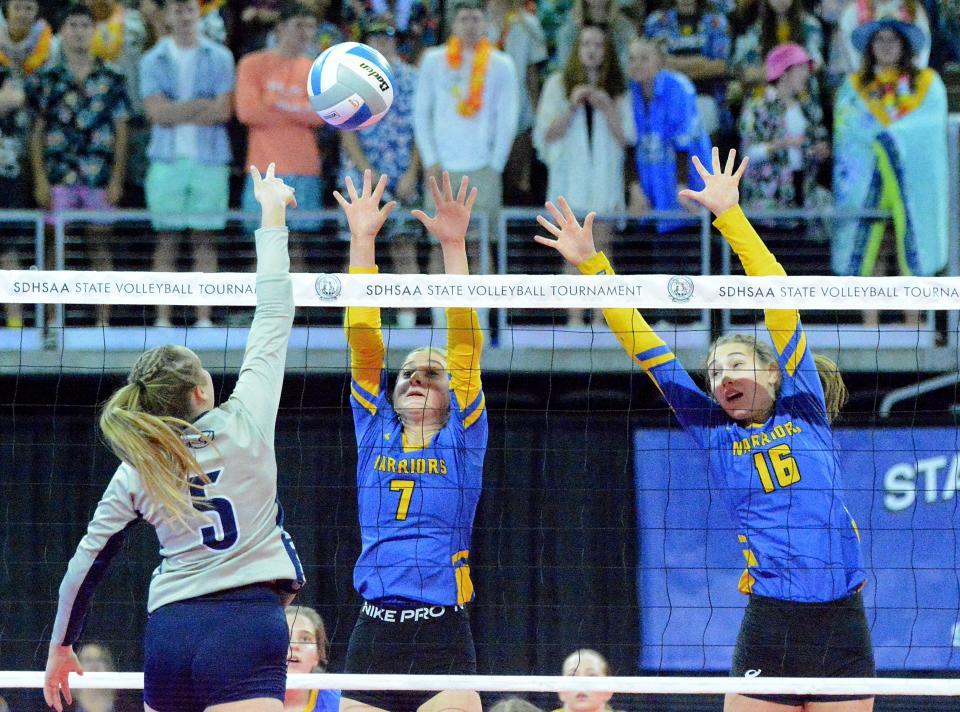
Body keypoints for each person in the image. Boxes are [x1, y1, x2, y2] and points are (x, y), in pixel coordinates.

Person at [536, 148, 874, 711]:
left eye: (736, 366)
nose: (722, 379)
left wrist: (730, 216)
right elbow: (649, 350)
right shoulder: (714, 431)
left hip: (842, 622)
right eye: (715, 373)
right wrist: (594, 267)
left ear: (772, 371)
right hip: (773, 619)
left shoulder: (804, 403)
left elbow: (777, 295)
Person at [43, 162, 305, 712]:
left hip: (171, 633)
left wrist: (60, 645)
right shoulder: (246, 419)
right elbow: (275, 310)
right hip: (247, 624)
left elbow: (83, 566)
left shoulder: (136, 467)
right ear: (201, 393)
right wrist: (273, 212)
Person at [336, 170, 486, 712]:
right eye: (407, 374)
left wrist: (453, 246)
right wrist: (362, 240)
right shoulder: (374, 427)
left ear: (453, 394)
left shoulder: (463, 436)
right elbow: (363, 338)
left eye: (431, 373)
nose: (416, 378)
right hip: (373, 630)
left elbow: (465, 341)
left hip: (442, 632)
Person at [832, 13, 946, 326]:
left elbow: (929, 131)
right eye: (879, 39)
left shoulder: (927, 84)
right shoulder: (853, 86)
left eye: (892, 39)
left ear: (905, 44)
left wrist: (892, 140)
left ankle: (915, 323)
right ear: (869, 46)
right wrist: (880, 141)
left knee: (911, 248)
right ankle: (871, 325)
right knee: (875, 252)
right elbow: (848, 131)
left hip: (911, 186)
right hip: (868, 185)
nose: (885, 45)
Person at [413, 0, 518, 326]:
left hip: (483, 167)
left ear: (486, 22)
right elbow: (421, 113)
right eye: (464, 18)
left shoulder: (501, 63)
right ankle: (439, 320)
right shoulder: (432, 61)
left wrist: (495, 163)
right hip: (441, 168)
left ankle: (480, 320)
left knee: (479, 244)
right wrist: (430, 161)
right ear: (453, 24)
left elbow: (508, 116)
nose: (471, 24)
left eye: (476, 18)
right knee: (438, 244)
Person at [27, 2, 130, 326]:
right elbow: (37, 132)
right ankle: (52, 323)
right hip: (58, 175)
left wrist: (116, 179)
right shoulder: (46, 78)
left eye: (85, 25)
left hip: (99, 176)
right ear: (60, 32)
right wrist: (40, 179)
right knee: (54, 248)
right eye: (72, 25)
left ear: (94, 31)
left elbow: (122, 131)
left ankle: (103, 324)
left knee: (100, 248)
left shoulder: (112, 77)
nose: (79, 31)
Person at [140, 0, 234, 328]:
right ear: (167, 16)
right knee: (166, 240)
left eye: (190, 10)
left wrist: (175, 110)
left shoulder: (220, 56)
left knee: (205, 240)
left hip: (209, 160)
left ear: (199, 14)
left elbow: (223, 111)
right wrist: (199, 105)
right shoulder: (152, 59)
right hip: (166, 160)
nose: (184, 16)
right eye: (177, 10)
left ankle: (204, 319)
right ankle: (162, 319)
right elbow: (155, 113)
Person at [533, 22, 634, 327]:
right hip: (570, 181)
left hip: (604, 182)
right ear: (577, 51)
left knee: (602, 249)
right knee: (572, 253)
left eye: (598, 45)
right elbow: (545, 135)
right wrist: (571, 107)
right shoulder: (557, 84)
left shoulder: (618, 88)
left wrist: (607, 107)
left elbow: (627, 137)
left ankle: (602, 322)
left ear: (607, 52)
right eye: (586, 44)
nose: (592, 50)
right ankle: (575, 320)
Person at [339, 18, 420, 328]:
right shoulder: (349, 79)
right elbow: (345, 132)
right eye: (375, 37)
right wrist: (367, 174)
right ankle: (355, 319)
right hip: (360, 178)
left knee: (404, 246)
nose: (381, 43)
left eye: (387, 37)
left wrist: (412, 173)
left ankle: (408, 321)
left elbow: (422, 131)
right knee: (358, 247)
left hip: (403, 177)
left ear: (395, 41)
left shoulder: (413, 78)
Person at [236, 0, 323, 253]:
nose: (306, 33)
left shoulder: (317, 70)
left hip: (305, 168)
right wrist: (300, 108)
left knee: (298, 250)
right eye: (299, 25)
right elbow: (247, 112)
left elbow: (321, 116)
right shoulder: (251, 64)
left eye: (311, 26)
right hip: (264, 170)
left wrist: (274, 103)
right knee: (263, 250)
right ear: (280, 28)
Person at [625, 37, 710, 232]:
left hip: (686, 181)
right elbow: (628, 143)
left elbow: (683, 142)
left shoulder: (679, 88)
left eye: (644, 58)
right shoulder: (629, 91)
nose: (636, 64)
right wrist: (635, 186)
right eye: (632, 59)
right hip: (650, 185)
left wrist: (682, 186)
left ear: (660, 62)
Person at [738, 43, 830, 217]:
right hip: (767, 201)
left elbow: (820, 142)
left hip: (803, 196)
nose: (806, 74)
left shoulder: (810, 108)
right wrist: (778, 146)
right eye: (801, 68)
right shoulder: (757, 107)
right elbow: (747, 153)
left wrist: (822, 151)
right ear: (784, 72)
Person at [285, 605, 340, 712]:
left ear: (317, 655)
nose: (293, 645)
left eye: (305, 639)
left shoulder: (339, 703)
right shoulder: (246, 696)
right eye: (284, 636)